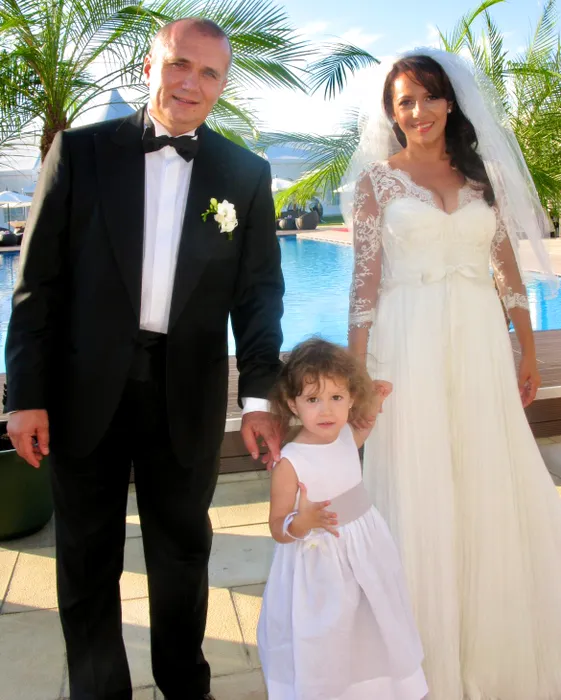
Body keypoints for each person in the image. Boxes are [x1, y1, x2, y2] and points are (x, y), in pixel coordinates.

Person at [5, 18, 284, 700]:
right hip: (82, 391)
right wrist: (25, 396)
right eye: (179, 64)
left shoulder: (245, 174)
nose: (191, 83)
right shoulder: (79, 152)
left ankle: (186, 685)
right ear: (150, 67)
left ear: (222, 85)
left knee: (183, 550)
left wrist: (257, 398)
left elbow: (258, 296)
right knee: (86, 555)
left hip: (185, 392)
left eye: (209, 73)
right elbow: (38, 285)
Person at [344, 49, 561, 700]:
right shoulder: (377, 182)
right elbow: (363, 285)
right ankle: (421, 658)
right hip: (405, 343)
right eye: (404, 102)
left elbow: (507, 272)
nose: (418, 112)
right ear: (392, 113)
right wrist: (356, 375)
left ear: (450, 102)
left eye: (429, 97)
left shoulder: (481, 178)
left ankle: (494, 643)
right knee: (418, 478)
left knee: (485, 471)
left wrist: (526, 349)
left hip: (477, 343)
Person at [257, 337, 428, 700]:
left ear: (351, 398)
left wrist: (376, 400)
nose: (326, 410)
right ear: (293, 404)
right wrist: (300, 523)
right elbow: (277, 525)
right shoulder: (291, 462)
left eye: (336, 397)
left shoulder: (347, 435)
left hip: (365, 548)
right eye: (312, 400)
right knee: (327, 632)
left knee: (369, 619)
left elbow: (362, 430)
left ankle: (371, 688)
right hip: (321, 562)